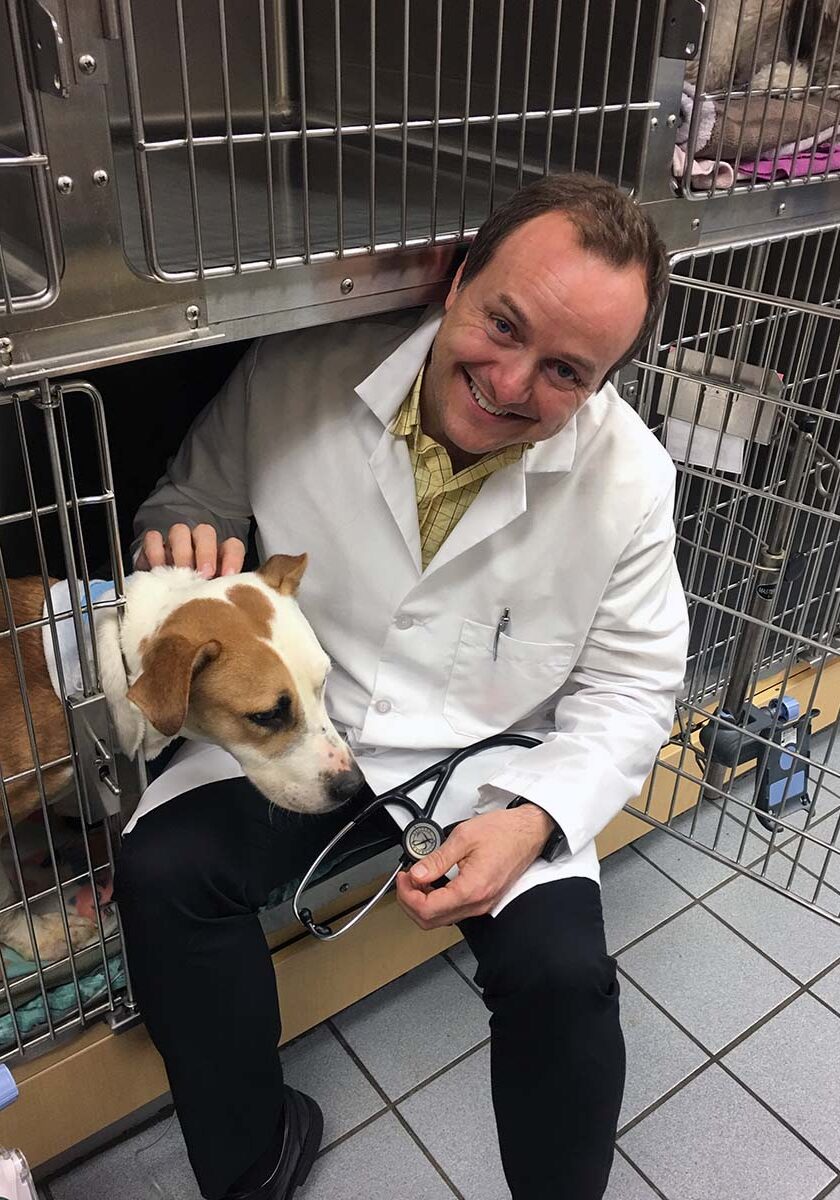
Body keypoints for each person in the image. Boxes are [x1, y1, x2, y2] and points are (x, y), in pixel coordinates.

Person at [116, 172, 689, 1200]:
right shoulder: (299, 369)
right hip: (306, 728)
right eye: (502, 324)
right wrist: (178, 538)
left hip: (487, 762)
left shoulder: (634, 481)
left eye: (565, 371)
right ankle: (253, 1159)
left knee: (564, 980)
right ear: (456, 278)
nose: (512, 385)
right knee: (163, 878)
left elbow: (636, 688)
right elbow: (191, 491)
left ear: (606, 379)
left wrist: (536, 818)